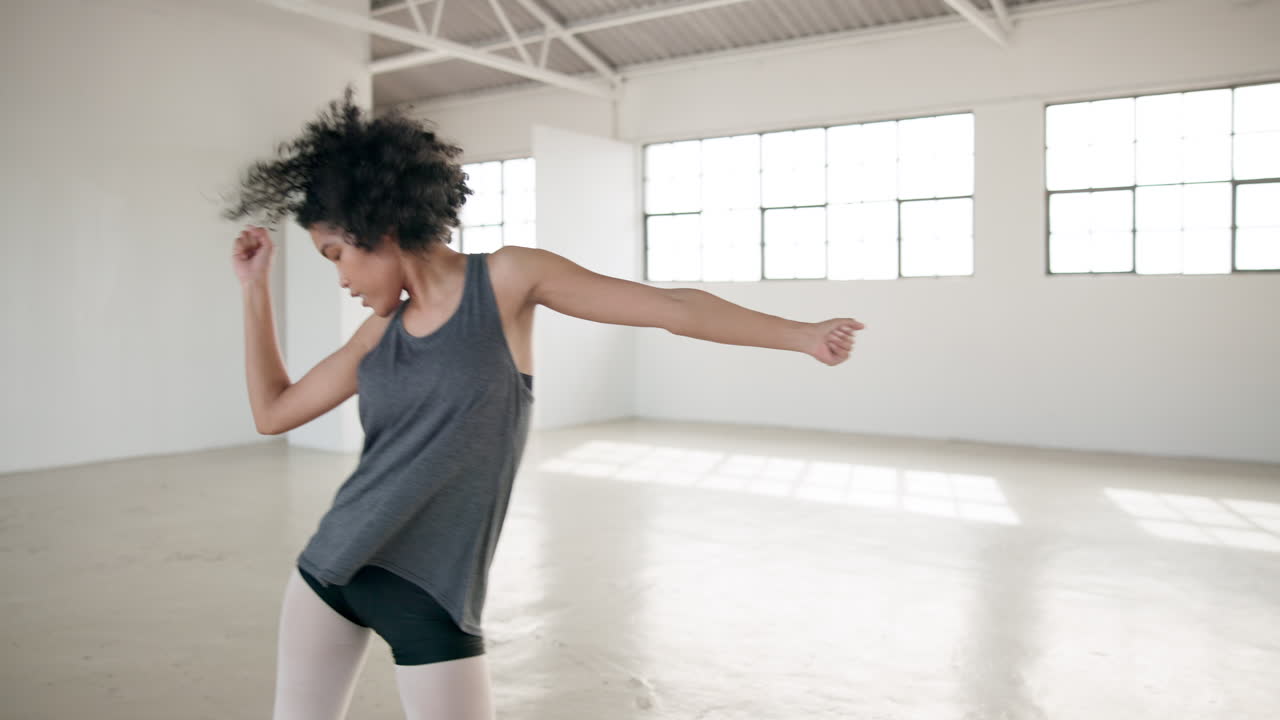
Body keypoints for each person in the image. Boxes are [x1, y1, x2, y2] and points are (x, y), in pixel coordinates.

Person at [224, 85, 865, 720]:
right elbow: (272, 412)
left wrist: (801, 336)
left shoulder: (506, 281)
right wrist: (255, 291)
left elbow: (673, 308)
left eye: (336, 254)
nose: (339, 277)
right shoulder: (377, 333)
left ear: (380, 228)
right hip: (329, 574)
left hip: (436, 593)